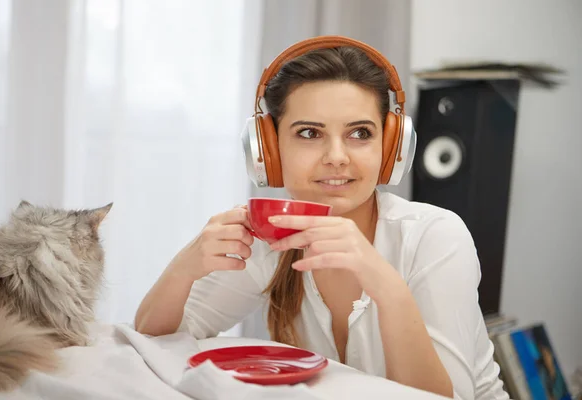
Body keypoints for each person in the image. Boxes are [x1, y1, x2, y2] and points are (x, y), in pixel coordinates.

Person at [135, 36, 508, 399]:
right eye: (310, 133)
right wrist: (186, 266)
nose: (337, 156)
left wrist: (384, 283)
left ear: (390, 147)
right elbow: (154, 339)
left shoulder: (435, 236)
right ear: (269, 150)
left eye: (360, 133)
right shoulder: (273, 239)